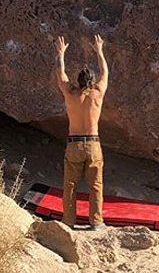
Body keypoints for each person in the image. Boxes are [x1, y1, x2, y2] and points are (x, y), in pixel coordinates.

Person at [54, 33, 109, 229]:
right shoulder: (97, 94)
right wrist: (99, 51)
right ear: (92, 81)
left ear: (77, 81)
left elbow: (61, 74)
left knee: (70, 185)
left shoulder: (70, 94)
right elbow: (105, 72)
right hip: (93, 143)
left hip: (74, 143)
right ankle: (96, 221)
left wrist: (61, 54)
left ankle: (68, 221)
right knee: (96, 185)